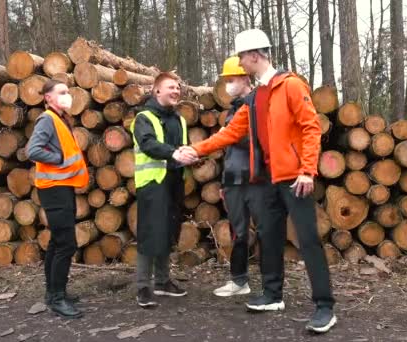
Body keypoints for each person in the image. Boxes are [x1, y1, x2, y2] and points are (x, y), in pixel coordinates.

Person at [178, 29, 337, 333]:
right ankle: (273, 295)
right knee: (269, 236)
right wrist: (195, 149)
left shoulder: (290, 85)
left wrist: (307, 169)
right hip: (267, 180)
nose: (239, 63)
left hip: (295, 179)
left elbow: (310, 127)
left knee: (308, 240)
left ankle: (324, 307)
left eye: (241, 57)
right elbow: (230, 133)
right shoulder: (256, 97)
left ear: (254, 56)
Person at [131, 71, 195, 308]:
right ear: (156, 90)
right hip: (152, 184)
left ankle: (162, 282)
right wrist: (173, 153)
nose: (176, 91)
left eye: (178, 87)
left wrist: (191, 154)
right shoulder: (143, 118)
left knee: (168, 232)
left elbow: (182, 147)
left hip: (174, 183)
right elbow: (148, 144)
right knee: (150, 234)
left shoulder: (180, 120)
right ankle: (142, 287)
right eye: (171, 87)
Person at [27, 80, 89, 319]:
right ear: (48, 98)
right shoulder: (47, 119)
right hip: (54, 188)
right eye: (62, 92)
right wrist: (59, 158)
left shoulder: (60, 119)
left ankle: (53, 292)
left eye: (68, 91)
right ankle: (57, 298)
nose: (67, 96)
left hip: (62, 187)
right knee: (66, 243)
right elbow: (33, 150)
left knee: (57, 241)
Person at [212, 56, 260, 297]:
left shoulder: (257, 104)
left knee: (264, 229)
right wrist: (223, 181)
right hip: (233, 179)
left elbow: (260, 141)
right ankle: (239, 281)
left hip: (254, 177)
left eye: (231, 79)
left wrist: (231, 135)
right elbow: (228, 151)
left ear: (244, 77)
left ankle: (272, 285)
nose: (227, 84)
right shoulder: (233, 109)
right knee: (238, 232)